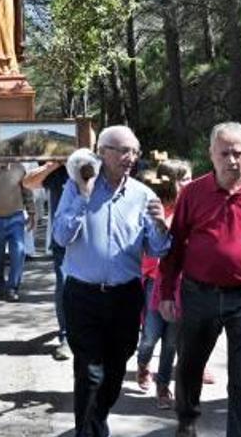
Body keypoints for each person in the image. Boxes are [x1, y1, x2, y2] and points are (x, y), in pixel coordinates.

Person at [159, 122, 241, 437]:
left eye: (239, 152)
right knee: (190, 366)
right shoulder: (193, 193)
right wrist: (165, 291)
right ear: (211, 154)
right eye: (225, 153)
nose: (232, 160)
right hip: (199, 294)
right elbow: (174, 246)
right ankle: (187, 421)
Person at [52, 126, 171, 437]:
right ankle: (88, 432)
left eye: (134, 151)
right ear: (101, 152)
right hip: (83, 296)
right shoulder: (75, 187)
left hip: (125, 298)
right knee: (89, 372)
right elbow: (61, 236)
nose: (129, 157)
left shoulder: (143, 195)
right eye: (121, 150)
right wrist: (83, 196)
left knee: (116, 371)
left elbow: (157, 250)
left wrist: (160, 226)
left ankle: (96, 420)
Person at [134, 159, 192, 409]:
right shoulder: (154, 206)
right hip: (155, 282)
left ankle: (163, 386)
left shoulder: (190, 208)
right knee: (150, 335)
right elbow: (153, 247)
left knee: (171, 341)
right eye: (187, 178)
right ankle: (143, 363)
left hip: (183, 283)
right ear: (174, 181)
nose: (192, 182)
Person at [22, 160, 70, 360]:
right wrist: (54, 164)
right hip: (63, 241)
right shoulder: (59, 170)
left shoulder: (98, 166)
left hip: (93, 240)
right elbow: (28, 182)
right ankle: (66, 337)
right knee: (65, 285)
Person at [0, 161, 36, 302]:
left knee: (18, 253)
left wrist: (32, 213)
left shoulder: (20, 169)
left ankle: (12, 288)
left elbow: (27, 193)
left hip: (16, 218)